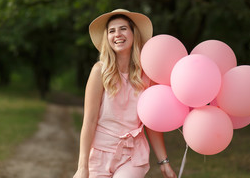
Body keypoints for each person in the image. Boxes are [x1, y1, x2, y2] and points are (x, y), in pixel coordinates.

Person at [73, 9, 177, 178]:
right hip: (100, 154)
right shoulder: (100, 71)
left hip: (133, 156)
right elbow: (89, 121)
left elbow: (151, 123)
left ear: (133, 33)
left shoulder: (148, 74)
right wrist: (82, 167)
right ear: (107, 38)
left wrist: (164, 162)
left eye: (123, 29)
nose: (117, 34)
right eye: (112, 31)